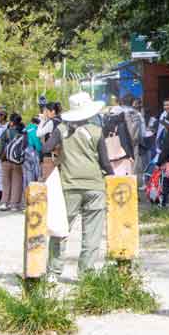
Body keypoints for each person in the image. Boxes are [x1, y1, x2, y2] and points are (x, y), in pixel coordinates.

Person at [48, 92, 113, 282]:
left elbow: (44, 148)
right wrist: (112, 177)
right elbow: (105, 162)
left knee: (61, 229)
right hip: (94, 185)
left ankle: (54, 271)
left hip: (69, 186)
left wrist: (59, 150)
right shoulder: (97, 131)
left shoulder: (61, 129)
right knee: (92, 233)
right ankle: (86, 274)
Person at [0, 113, 26, 210]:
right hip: (18, 161)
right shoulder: (23, 132)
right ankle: (14, 204)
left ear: (11, 122)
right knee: (17, 182)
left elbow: (0, 145)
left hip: (6, 160)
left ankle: (4, 202)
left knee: (6, 182)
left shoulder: (7, 132)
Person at [37, 101, 63, 180]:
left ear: (53, 111)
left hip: (50, 156)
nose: (46, 113)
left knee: (49, 181)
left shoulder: (51, 122)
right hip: (61, 156)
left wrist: (42, 120)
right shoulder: (62, 121)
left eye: (47, 111)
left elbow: (38, 134)